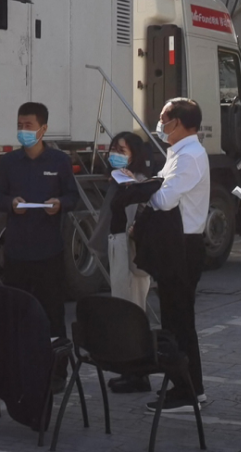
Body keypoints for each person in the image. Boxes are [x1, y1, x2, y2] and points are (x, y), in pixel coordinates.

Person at [0, 102, 79, 346]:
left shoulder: (59, 161)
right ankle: (16, 359)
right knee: (15, 312)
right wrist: (11, 203)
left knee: (52, 313)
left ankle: (56, 363)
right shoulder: (9, 162)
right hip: (16, 252)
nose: (23, 131)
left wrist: (59, 203)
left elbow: (73, 196)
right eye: (20, 125)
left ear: (43, 129)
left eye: (28, 126)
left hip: (49, 252)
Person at [143, 98, 210, 414]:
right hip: (174, 244)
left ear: (179, 123)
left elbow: (164, 199)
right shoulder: (179, 153)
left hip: (184, 246)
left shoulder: (190, 156)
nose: (160, 124)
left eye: (163, 118)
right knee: (173, 319)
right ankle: (185, 386)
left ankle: (189, 391)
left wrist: (140, 190)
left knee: (180, 320)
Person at [92, 132, 153, 394]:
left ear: (134, 155)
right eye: (114, 149)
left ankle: (139, 373)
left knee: (134, 312)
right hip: (118, 245)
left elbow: (147, 213)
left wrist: (132, 185)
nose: (115, 154)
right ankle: (130, 370)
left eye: (122, 150)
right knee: (122, 310)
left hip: (132, 250)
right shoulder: (118, 180)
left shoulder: (139, 182)